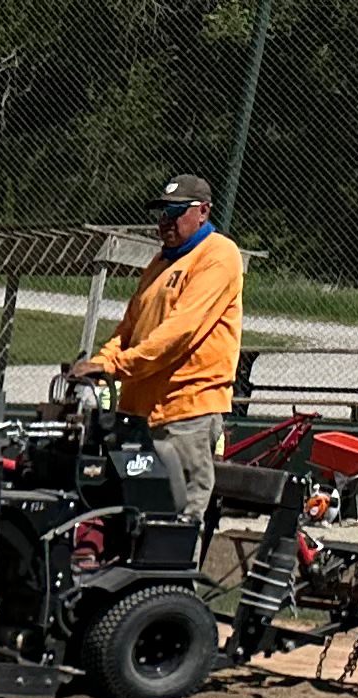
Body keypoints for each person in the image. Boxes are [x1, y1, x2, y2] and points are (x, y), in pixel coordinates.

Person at [68, 173, 246, 519]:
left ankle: (174, 576)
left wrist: (114, 367)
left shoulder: (219, 255)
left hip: (186, 411)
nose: (165, 222)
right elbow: (127, 330)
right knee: (130, 512)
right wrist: (100, 361)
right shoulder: (160, 262)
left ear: (203, 212)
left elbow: (178, 334)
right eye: (162, 213)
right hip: (140, 413)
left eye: (175, 212)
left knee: (175, 518)